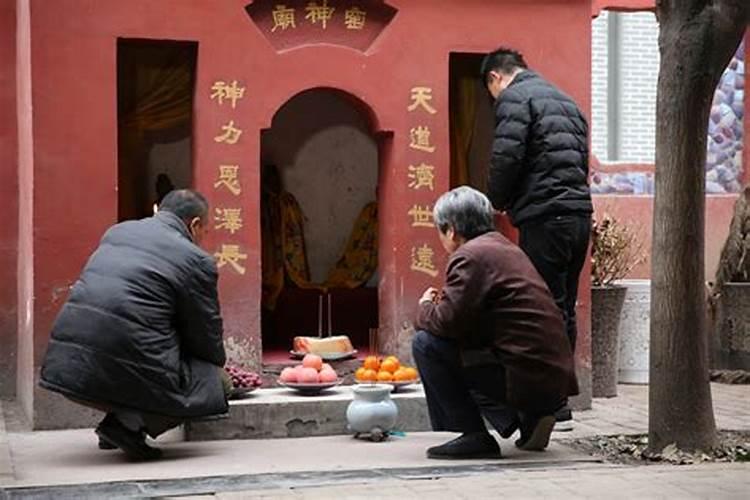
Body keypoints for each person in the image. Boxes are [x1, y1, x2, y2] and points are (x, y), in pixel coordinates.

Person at [40, 189, 228, 460]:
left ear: (157, 210)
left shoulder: (118, 232)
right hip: (114, 367)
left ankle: (120, 422)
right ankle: (126, 426)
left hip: (68, 367)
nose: (202, 239)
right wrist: (214, 368)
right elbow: (205, 333)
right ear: (195, 224)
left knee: (139, 343)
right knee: (218, 382)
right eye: (205, 231)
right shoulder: (196, 260)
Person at [413, 186, 577, 460]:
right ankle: (528, 418)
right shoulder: (504, 248)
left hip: (525, 376)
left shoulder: (470, 256)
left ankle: (473, 434)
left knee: (426, 344)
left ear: (451, 230)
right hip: (548, 379)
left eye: (440, 232)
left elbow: (446, 323)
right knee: (460, 345)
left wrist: (424, 307)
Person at [481, 47, 592, 429]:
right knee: (562, 306)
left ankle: (548, 406)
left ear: (495, 77)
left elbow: (507, 156)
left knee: (542, 309)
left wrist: (495, 201)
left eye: (489, 90)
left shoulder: (514, 98)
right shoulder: (566, 101)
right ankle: (560, 402)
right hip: (579, 217)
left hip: (545, 217)